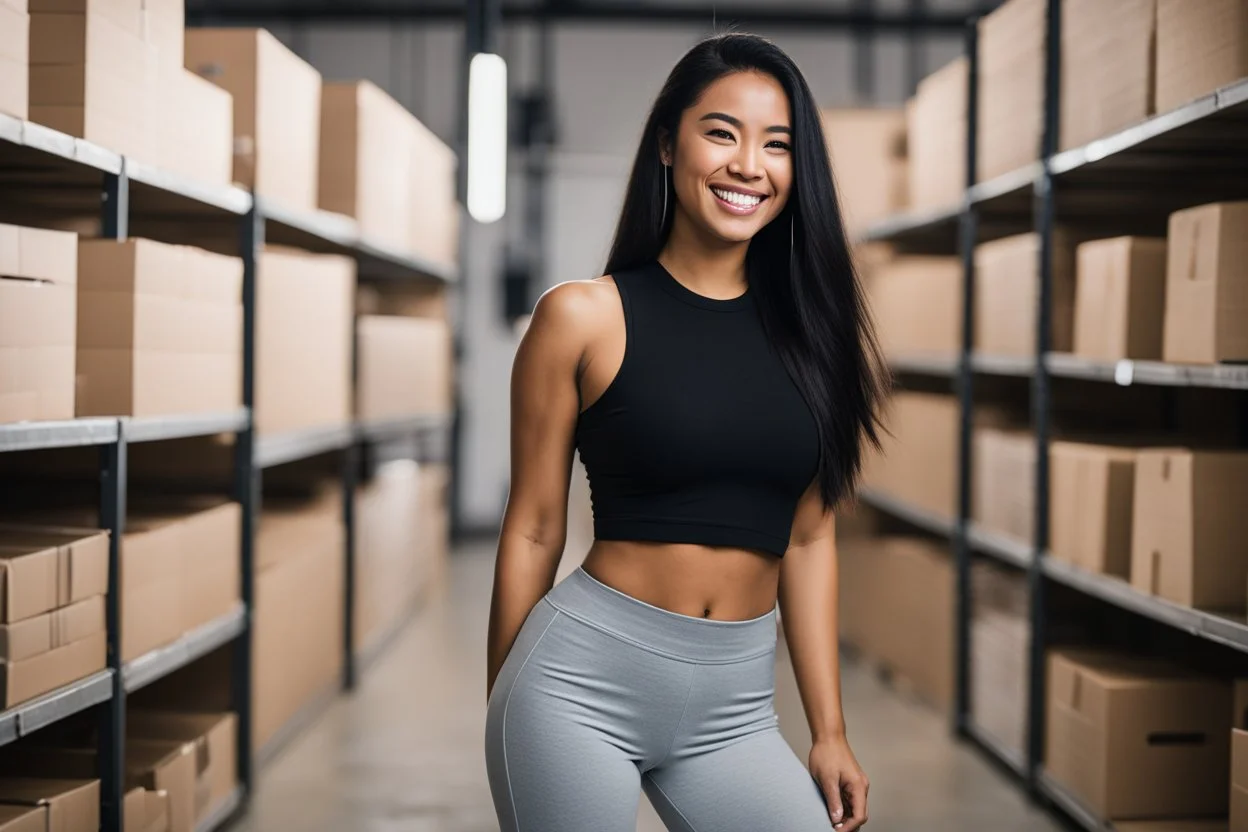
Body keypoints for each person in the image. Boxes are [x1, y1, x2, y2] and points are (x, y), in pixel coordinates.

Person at [484, 32, 888, 832]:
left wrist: (830, 731)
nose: (750, 165)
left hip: (733, 709)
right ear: (667, 144)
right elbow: (533, 526)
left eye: (777, 144)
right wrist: (503, 703)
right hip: (578, 689)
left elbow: (808, 542)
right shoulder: (583, 317)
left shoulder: (814, 339)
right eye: (721, 132)